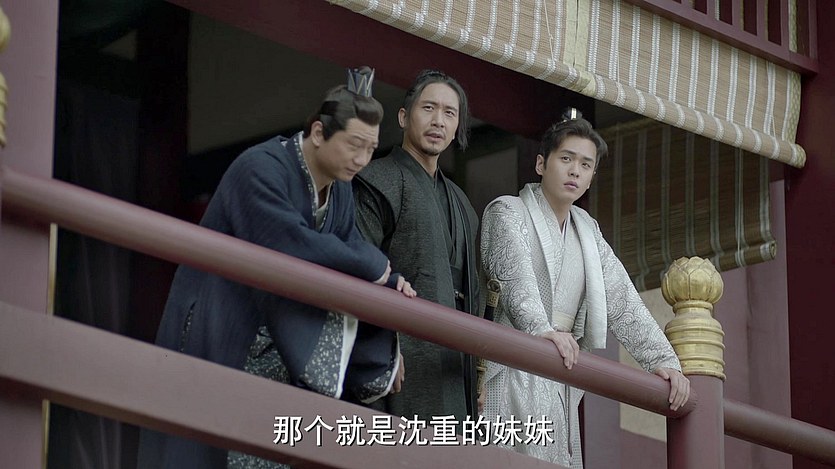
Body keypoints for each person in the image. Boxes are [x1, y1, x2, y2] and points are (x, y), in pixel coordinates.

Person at [138, 67, 414, 469]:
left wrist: (389, 286)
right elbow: (290, 244)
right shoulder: (259, 168)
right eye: (354, 145)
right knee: (199, 450)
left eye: (370, 149)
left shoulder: (339, 189)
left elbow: (350, 250)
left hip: (274, 345)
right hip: (221, 324)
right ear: (318, 132)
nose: (362, 159)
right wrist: (375, 266)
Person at [479, 111, 689, 467]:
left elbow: (623, 300)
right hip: (513, 360)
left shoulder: (588, 233)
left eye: (586, 164)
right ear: (541, 164)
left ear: (592, 178)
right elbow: (516, 283)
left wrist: (664, 361)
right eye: (566, 159)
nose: (575, 171)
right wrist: (542, 329)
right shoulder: (507, 212)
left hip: (560, 369)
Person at [353, 69, 482, 423]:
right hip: (399, 353)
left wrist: (479, 371)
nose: (438, 120)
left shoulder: (462, 203)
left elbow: (476, 295)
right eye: (428, 108)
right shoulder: (377, 180)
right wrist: (381, 349)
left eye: (449, 113)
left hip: (455, 361)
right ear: (403, 117)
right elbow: (358, 269)